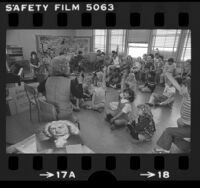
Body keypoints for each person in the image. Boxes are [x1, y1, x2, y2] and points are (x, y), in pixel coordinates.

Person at [154, 74, 191, 153]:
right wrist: (168, 74)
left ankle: (164, 150)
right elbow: (176, 85)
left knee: (168, 131)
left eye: (183, 86)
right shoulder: (186, 95)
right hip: (187, 127)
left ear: (189, 89)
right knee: (179, 121)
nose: (181, 88)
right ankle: (187, 143)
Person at [37, 55, 79, 126]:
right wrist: (80, 83)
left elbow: (39, 89)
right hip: (64, 115)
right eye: (68, 65)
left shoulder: (47, 80)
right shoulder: (69, 82)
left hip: (50, 114)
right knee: (72, 107)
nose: (69, 67)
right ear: (64, 68)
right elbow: (79, 95)